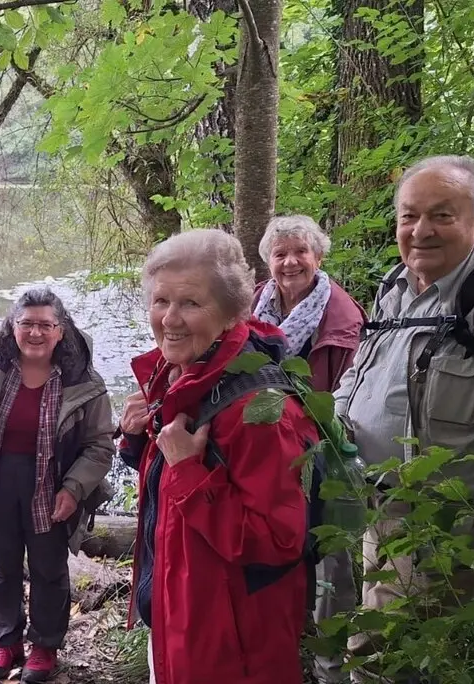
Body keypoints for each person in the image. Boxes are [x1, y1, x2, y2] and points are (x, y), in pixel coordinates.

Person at [333, 155, 474, 682]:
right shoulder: (396, 285)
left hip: (459, 529)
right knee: (396, 657)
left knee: (381, 662)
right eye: (409, 216)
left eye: (442, 215)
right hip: (383, 513)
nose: (421, 231)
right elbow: (360, 376)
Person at [118, 229, 319, 684]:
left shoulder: (261, 412)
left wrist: (188, 471)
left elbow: (278, 542)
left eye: (190, 303)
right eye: (160, 300)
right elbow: (166, 496)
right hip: (180, 617)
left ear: (232, 314)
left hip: (235, 645)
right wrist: (139, 441)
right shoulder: (181, 379)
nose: (169, 318)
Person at [0, 288, 115, 683]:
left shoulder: (83, 380)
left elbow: (99, 445)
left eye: (45, 325)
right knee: (1, 567)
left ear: (60, 331)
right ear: (12, 327)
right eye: (27, 324)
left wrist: (74, 488)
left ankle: (44, 646)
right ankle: (6, 641)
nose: (35, 333)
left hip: (52, 487)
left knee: (49, 569)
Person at [253, 214, 367, 684]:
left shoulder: (344, 318)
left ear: (318, 257)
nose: (290, 262)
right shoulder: (253, 310)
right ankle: (281, 650)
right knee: (274, 550)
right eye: (280, 254)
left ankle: (330, 667)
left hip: (327, 457)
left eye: (300, 251)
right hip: (265, 458)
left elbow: (355, 400)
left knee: (331, 563)